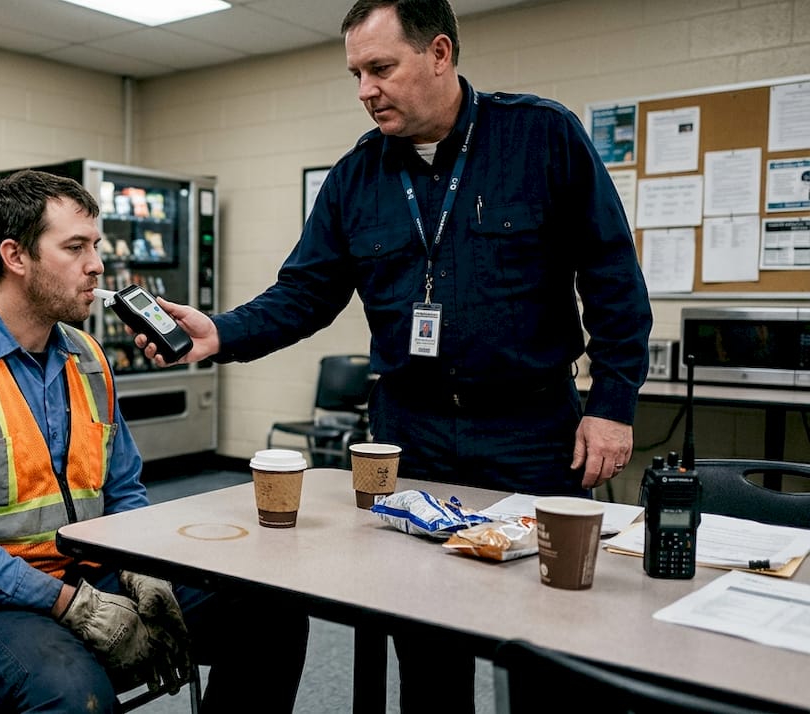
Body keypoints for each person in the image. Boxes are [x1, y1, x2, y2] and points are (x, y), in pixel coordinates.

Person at [133, 1, 652, 711]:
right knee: (426, 641)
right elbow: (305, 292)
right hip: (412, 434)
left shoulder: (542, 136)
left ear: (439, 53)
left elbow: (613, 278)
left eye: (380, 68)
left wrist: (613, 404)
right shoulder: (358, 175)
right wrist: (222, 332)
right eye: (355, 73)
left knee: (551, 645)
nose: (365, 90)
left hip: (532, 431)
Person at [0, 169, 308, 713]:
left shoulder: (87, 357)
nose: (98, 264)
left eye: (96, 245)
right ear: (16, 256)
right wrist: (66, 604)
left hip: (89, 572)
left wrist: (141, 568)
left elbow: (123, 486)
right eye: (75, 247)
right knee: (76, 698)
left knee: (269, 608)